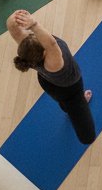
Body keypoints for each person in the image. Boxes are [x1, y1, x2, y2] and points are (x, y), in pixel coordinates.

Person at [7, 9, 95, 145]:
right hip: (70, 89)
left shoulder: (28, 50)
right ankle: (78, 107)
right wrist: (34, 24)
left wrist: (15, 18)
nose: (35, 34)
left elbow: (14, 29)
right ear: (44, 51)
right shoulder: (53, 63)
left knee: (65, 103)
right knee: (86, 133)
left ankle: (68, 108)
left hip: (48, 83)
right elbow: (52, 44)